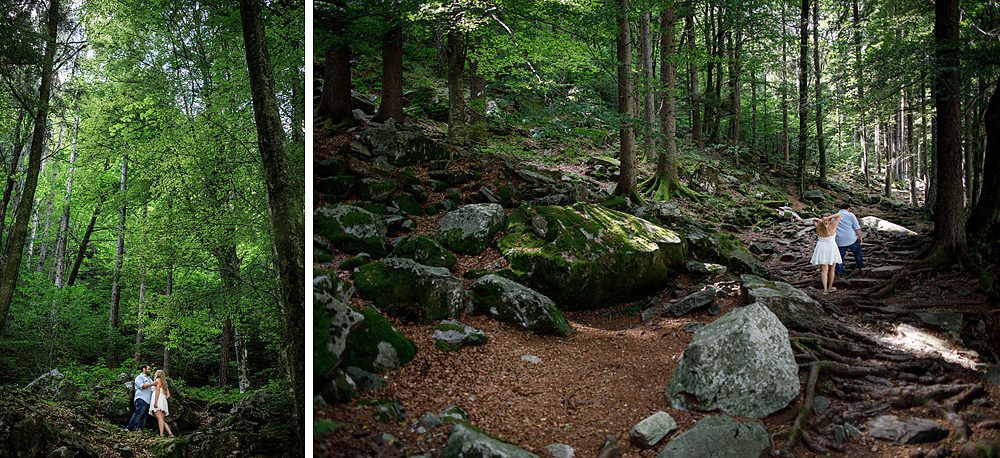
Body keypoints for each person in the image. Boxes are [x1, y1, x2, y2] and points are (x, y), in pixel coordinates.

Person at [809, 213, 843, 293]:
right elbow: (839, 215)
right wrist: (829, 217)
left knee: (823, 270)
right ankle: (830, 286)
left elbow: (813, 220)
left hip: (822, 248)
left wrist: (820, 220)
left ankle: (825, 289)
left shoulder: (819, 227)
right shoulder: (832, 226)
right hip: (831, 247)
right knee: (832, 269)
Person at [835, 202, 864, 274]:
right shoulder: (851, 215)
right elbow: (857, 227)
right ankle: (860, 266)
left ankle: (839, 272)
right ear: (848, 208)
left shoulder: (835, 216)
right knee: (857, 252)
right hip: (851, 238)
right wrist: (860, 237)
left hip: (839, 240)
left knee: (840, 257)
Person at [125, 364, 155, 431]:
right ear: (144, 369)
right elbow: (142, 386)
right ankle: (128, 428)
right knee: (138, 413)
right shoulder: (139, 377)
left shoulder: (149, 379)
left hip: (148, 400)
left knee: (143, 417)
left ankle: (140, 430)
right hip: (141, 398)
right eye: (149, 369)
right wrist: (153, 384)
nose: (150, 371)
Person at [148, 369, 174, 437]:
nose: (154, 374)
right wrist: (163, 399)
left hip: (158, 399)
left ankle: (161, 434)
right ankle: (170, 433)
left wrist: (156, 401)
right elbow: (168, 395)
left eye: (156, 373)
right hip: (163, 400)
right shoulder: (164, 383)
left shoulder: (157, 380)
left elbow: (157, 391)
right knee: (161, 419)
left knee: (159, 418)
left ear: (158, 374)